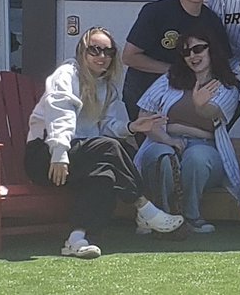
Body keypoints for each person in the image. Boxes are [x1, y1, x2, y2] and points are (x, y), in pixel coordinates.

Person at [25, 27, 184, 258]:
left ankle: (76, 239)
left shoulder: (106, 87)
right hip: (46, 156)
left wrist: (131, 127)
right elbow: (61, 112)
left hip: (80, 156)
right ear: (82, 52)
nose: (102, 57)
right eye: (95, 50)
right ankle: (143, 206)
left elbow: (108, 125)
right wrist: (59, 153)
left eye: (108, 52)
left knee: (105, 176)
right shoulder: (67, 74)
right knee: (108, 147)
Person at [134, 34, 240, 234]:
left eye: (198, 49)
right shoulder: (169, 78)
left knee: (196, 158)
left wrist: (198, 108)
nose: (192, 55)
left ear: (211, 49)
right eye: (186, 51)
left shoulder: (227, 85)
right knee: (162, 156)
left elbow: (213, 115)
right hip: (163, 140)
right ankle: (162, 217)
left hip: (204, 147)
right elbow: (145, 118)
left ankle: (192, 216)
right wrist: (168, 138)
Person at [122, 0, 232, 119]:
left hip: (184, 96)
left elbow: (221, 61)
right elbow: (129, 57)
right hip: (144, 90)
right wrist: (173, 70)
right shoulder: (156, 12)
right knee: (151, 143)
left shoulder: (212, 22)